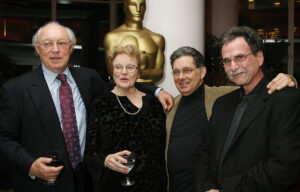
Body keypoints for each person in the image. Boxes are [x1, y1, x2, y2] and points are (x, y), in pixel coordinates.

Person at [0, 22, 172, 192]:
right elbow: (4, 138)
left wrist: (156, 91)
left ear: (71, 47)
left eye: (61, 43)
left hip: (87, 181)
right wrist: (29, 165)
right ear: (37, 49)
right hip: (43, 184)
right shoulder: (16, 89)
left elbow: (123, 83)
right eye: (47, 44)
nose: (55, 49)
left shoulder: (88, 78)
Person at [166, 46, 297, 192]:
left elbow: (257, 90)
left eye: (187, 70)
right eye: (176, 72)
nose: (181, 76)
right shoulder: (169, 105)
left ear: (202, 72)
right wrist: (156, 90)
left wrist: (288, 80)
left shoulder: (222, 97)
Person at [195, 26, 300, 192]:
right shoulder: (222, 103)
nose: (233, 66)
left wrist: (227, 189)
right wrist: (206, 186)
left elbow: (284, 167)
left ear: (259, 58)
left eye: (240, 57)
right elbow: (204, 152)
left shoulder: (285, 99)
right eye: (227, 61)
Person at [85, 44, 167, 192]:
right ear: (112, 70)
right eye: (118, 67)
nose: (124, 72)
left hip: (152, 185)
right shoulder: (100, 104)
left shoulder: (153, 103)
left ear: (138, 71)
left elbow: (160, 152)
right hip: (114, 185)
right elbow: (90, 154)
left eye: (130, 67)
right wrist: (105, 160)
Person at [104, 0, 165, 83]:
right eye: (133, 5)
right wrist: (145, 72)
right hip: (121, 93)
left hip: (149, 93)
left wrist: (135, 71)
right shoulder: (112, 37)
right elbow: (112, 71)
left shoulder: (157, 38)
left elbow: (160, 73)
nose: (138, 9)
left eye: (142, 5)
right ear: (125, 7)